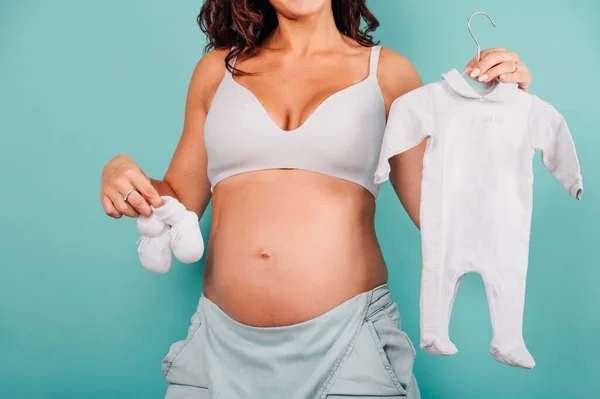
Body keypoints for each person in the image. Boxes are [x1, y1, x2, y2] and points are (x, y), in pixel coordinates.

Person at [100, 0, 533, 397]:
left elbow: (446, 219)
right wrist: (124, 177)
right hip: (218, 351)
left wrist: (504, 120)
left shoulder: (388, 74)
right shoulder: (217, 72)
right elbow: (178, 200)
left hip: (349, 347)